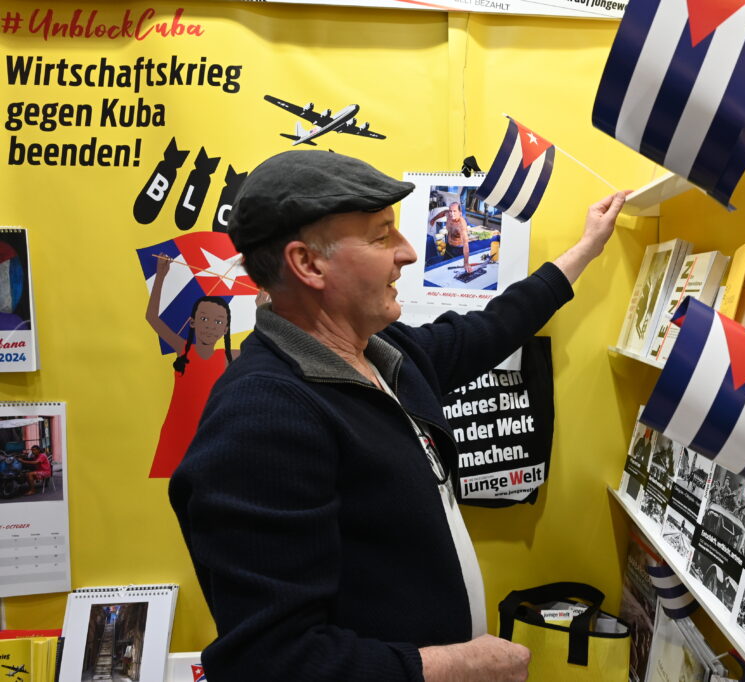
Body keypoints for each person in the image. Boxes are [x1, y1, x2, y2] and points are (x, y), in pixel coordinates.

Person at [168, 149, 626, 682]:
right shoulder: (263, 417)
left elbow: (494, 327)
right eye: (382, 235)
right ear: (307, 263)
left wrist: (586, 249)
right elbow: (273, 662)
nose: (408, 252)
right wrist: (458, 664)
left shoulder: (385, 354)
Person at [145, 257, 262, 478]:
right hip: (179, 433)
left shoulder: (229, 356)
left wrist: (262, 309)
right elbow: (152, 317)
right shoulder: (184, 349)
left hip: (215, 433)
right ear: (193, 322)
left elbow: (262, 342)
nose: (210, 326)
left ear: (226, 328)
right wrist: (161, 276)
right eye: (205, 319)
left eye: (218, 322)